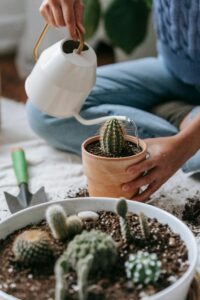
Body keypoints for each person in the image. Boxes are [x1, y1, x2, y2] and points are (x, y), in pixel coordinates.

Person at [26, 0, 200, 201]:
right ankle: (182, 116)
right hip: (172, 70)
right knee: (48, 108)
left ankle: (178, 117)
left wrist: (184, 145)